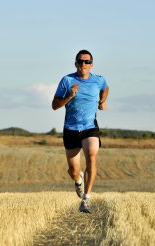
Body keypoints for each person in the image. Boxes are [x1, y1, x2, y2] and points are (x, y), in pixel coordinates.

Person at [52, 50, 109, 213]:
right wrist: (69, 96)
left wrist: (103, 101)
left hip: (89, 127)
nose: (83, 64)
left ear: (91, 64)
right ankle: (78, 181)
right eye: (80, 61)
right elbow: (54, 105)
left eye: (86, 62)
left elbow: (105, 88)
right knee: (73, 171)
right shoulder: (67, 80)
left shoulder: (98, 80)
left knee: (91, 155)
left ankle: (86, 199)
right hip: (70, 129)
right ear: (75, 63)